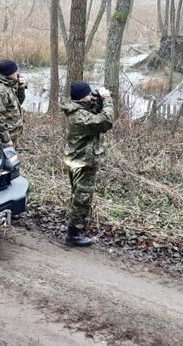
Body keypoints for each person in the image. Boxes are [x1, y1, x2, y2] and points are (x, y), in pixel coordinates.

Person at [61, 81, 114, 247]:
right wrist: (107, 100)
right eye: (89, 94)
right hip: (82, 162)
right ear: (82, 97)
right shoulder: (79, 116)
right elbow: (105, 121)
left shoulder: (78, 109)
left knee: (79, 195)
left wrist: (97, 99)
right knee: (82, 198)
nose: (91, 97)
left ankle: (77, 227)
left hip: (79, 159)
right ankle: (73, 234)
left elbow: (93, 112)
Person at [0, 59, 26, 148]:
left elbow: (17, 103)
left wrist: (21, 88)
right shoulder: (0, 90)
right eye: (16, 72)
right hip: (2, 139)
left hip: (12, 135)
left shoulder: (8, 86)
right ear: (11, 73)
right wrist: (6, 139)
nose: (18, 74)